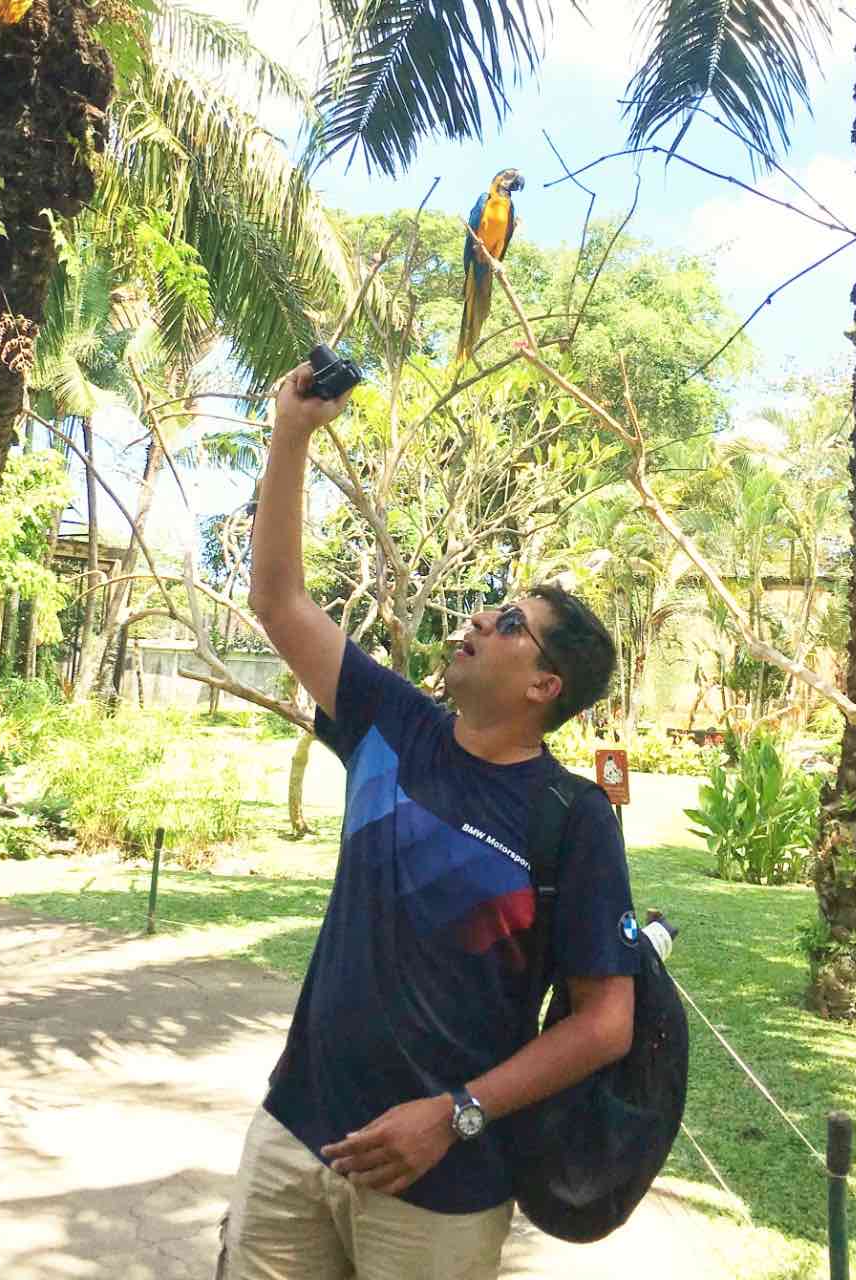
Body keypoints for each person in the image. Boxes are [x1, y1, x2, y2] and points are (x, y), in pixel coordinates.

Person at [223, 361, 641, 1280]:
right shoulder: (391, 725)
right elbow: (278, 600)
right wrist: (292, 431)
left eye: (510, 622)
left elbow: (604, 1023)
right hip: (296, 1132)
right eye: (494, 608)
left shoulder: (571, 817)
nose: (480, 619)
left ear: (544, 686)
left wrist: (454, 1115)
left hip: (443, 1176)